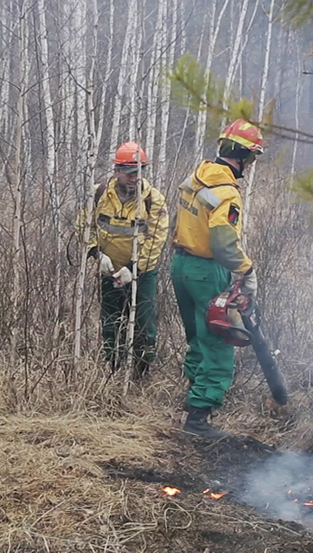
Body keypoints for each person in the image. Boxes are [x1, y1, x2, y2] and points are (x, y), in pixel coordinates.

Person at [171, 119, 263, 438]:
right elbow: (224, 243)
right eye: (250, 158)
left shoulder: (196, 177)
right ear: (240, 155)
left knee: (197, 337)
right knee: (219, 341)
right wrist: (246, 270)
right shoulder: (226, 193)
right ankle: (198, 419)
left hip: (180, 264)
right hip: (206, 271)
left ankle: (194, 401)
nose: (249, 166)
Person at [83, 142, 169, 379]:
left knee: (144, 324)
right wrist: (96, 254)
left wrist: (134, 268)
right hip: (108, 270)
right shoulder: (99, 194)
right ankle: (113, 369)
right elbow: (85, 227)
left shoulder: (154, 199)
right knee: (111, 322)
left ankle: (141, 373)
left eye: (140, 172)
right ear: (117, 171)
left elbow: (156, 239)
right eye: (130, 173)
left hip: (143, 273)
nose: (135, 178)